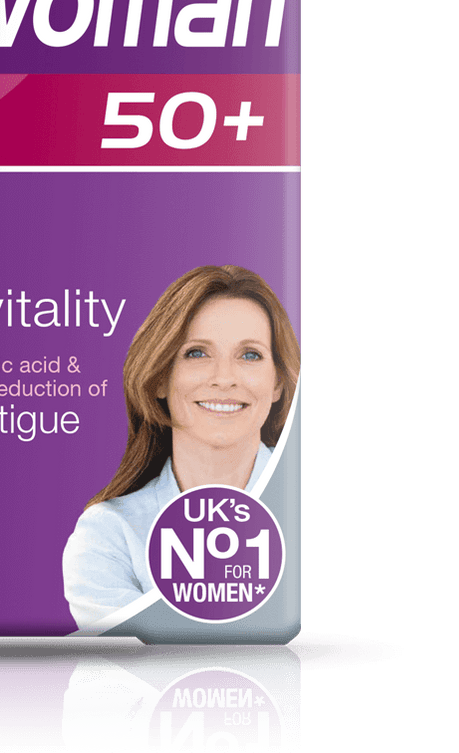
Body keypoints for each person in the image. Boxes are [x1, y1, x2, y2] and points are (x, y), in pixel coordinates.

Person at [62, 266, 301, 630]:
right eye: (197, 353)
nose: (224, 378)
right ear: (160, 377)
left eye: (250, 355)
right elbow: (134, 664)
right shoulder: (108, 536)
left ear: (278, 384)